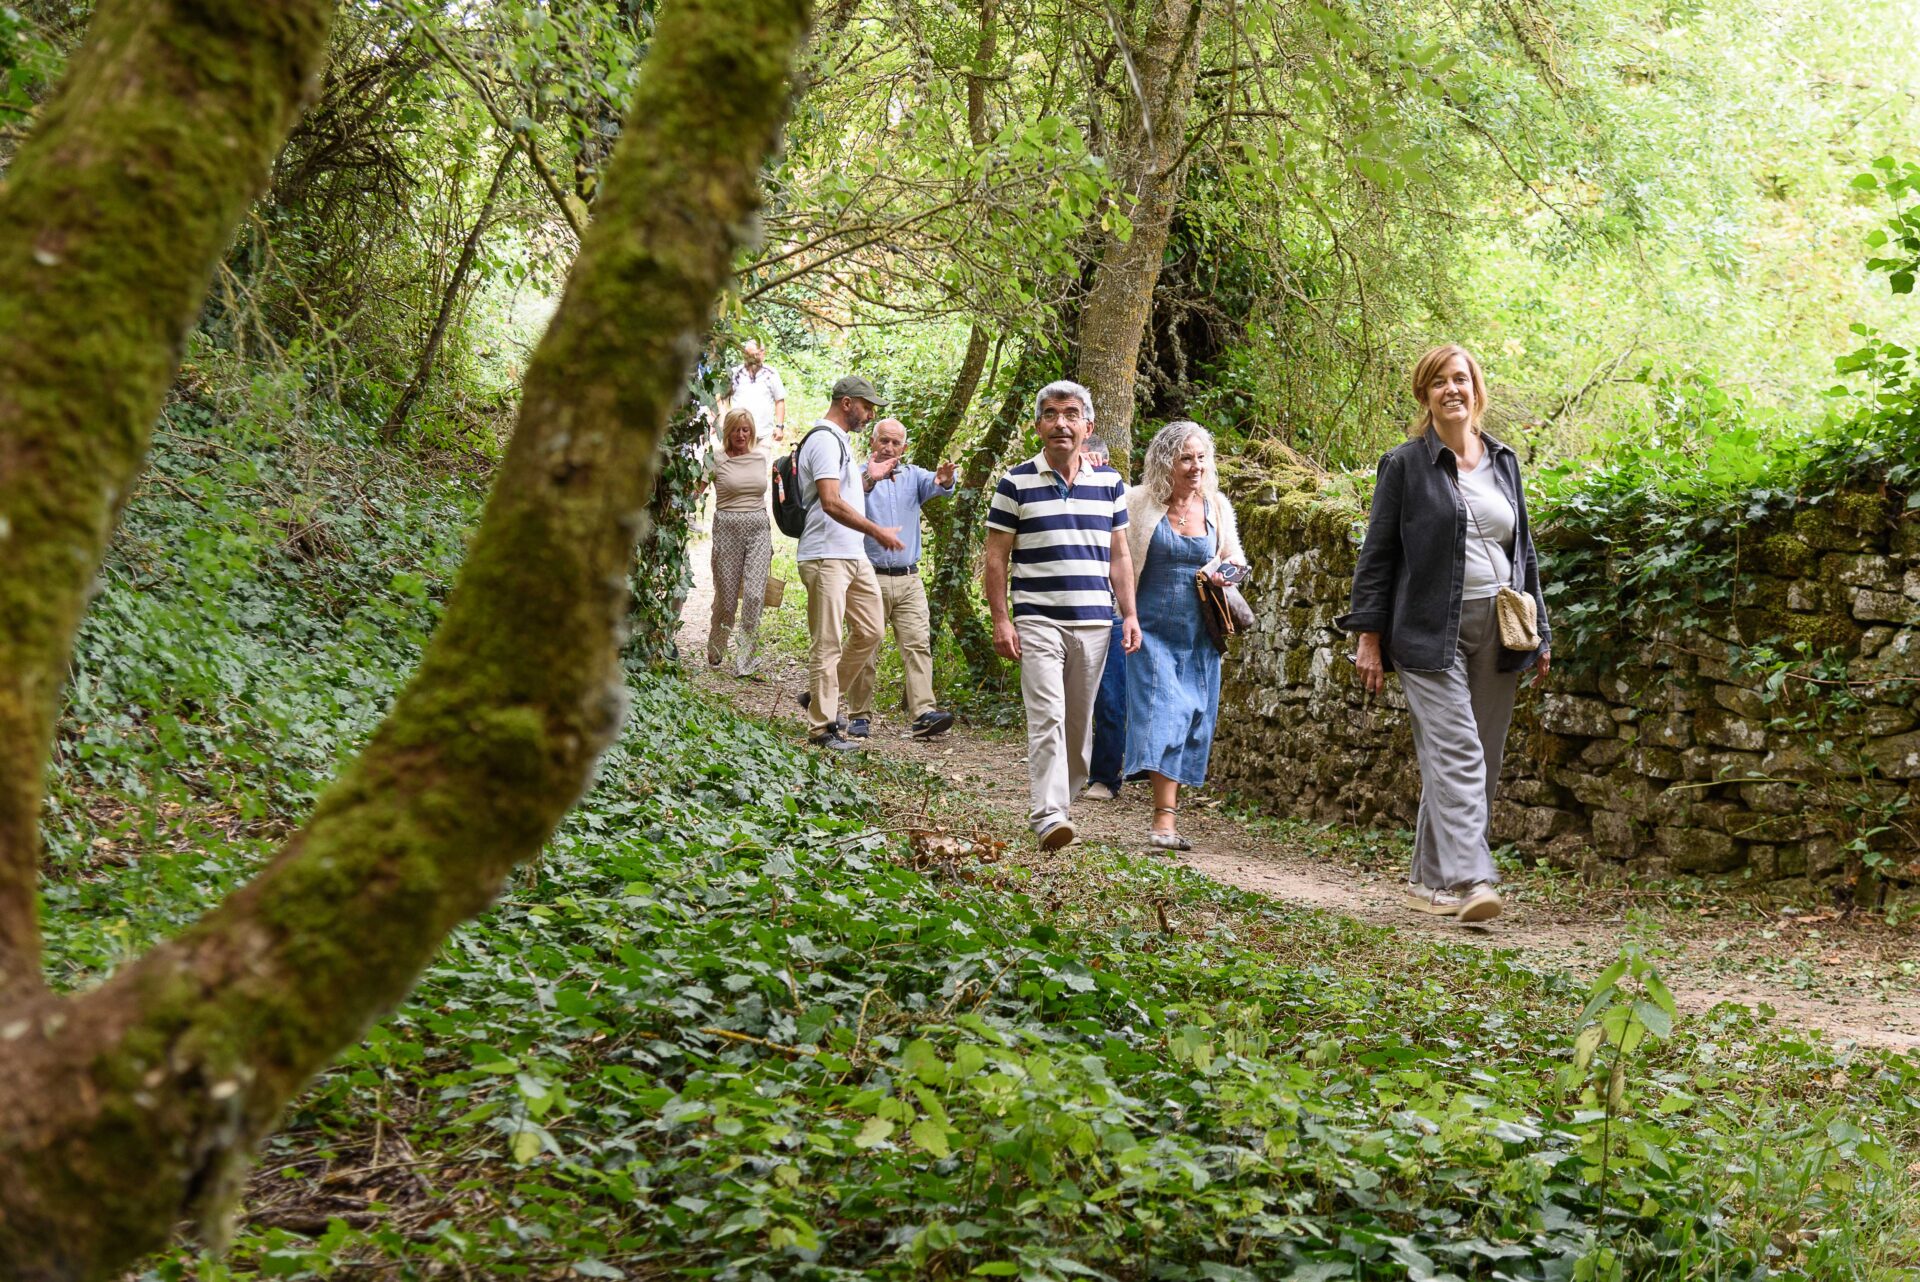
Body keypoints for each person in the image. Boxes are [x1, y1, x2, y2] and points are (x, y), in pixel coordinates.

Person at [1337, 343, 1553, 923]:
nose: (1452, 389)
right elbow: (1377, 555)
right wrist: (1368, 636)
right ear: (1424, 395)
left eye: (1461, 379)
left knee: (1480, 756)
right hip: (1429, 631)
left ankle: (1429, 879)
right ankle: (1473, 878)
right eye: (1439, 381)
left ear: (1476, 389)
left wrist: (1542, 631)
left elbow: (1524, 552)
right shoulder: (1405, 465)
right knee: (1457, 752)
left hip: (1501, 627)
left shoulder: (1504, 460)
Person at [984, 380, 1140, 850]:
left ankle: (1062, 799)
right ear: (1038, 426)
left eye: (1071, 414)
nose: (1061, 424)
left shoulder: (1110, 484)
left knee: (1077, 726)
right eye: (1051, 414)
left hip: (1095, 621)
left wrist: (1129, 615)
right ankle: (1049, 814)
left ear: (1087, 426)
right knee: (1048, 716)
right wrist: (1001, 620)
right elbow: (996, 558)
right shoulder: (1015, 483)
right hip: (1037, 619)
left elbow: (1120, 556)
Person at [1122, 421, 1248, 851]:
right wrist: (1124, 614)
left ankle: (1167, 816)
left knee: (1191, 718)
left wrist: (1225, 573)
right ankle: (1164, 818)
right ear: (1165, 462)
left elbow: (1236, 560)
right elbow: (1118, 558)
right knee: (1165, 715)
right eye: (1185, 458)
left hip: (1199, 634)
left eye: (1201, 458)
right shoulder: (1137, 503)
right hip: (1149, 630)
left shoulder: (1216, 506)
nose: (1196, 467)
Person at [795, 376, 904, 751]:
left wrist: (868, 478)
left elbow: (844, 490)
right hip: (826, 554)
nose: (870, 414)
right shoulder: (824, 439)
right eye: (866, 406)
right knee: (827, 642)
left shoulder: (840, 441)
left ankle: (819, 696)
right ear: (846, 403)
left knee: (871, 629)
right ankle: (821, 729)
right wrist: (877, 531)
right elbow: (830, 501)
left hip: (852, 554)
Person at [846, 417, 958, 740]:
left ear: (904, 448)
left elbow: (939, 486)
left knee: (918, 644)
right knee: (865, 644)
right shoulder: (857, 476)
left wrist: (946, 480)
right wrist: (871, 477)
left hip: (909, 579)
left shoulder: (913, 476)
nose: (889, 447)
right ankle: (858, 715)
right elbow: (849, 497)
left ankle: (923, 714)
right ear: (872, 442)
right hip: (869, 576)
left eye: (896, 443)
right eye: (884, 440)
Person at [705, 408, 772, 678]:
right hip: (727, 529)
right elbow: (696, 490)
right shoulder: (716, 459)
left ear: (752, 431)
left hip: (758, 530)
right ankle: (716, 647)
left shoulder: (760, 456)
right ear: (727, 432)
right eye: (735, 429)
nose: (741, 435)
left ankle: (746, 660)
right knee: (727, 598)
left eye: (745, 430)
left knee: (754, 596)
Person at [1081, 434, 1128, 800]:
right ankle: (1069, 770)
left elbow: (1124, 555)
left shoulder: (1116, 494)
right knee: (1068, 702)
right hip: (1068, 612)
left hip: (1110, 614)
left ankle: (1105, 776)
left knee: (1111, 701)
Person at [720, 339, 788, 448]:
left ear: (763, 353)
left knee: (762, 459)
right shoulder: (735, 373)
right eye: (749, 355)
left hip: (763, 435)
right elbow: (722, 398)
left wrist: (779, 426)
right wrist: (723, 420)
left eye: (756, 355)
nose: (753, 359)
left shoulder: (771, 374)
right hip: (738, 434)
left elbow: (779, 401)